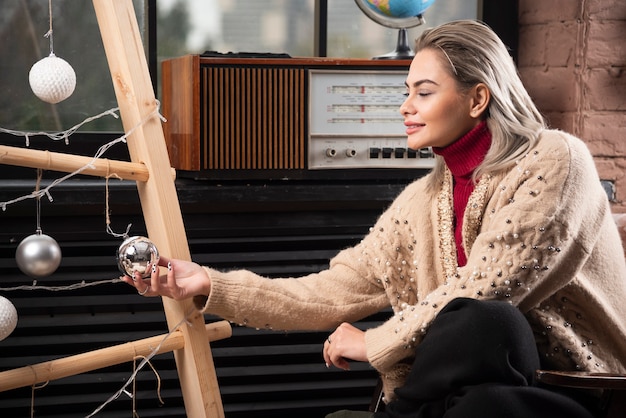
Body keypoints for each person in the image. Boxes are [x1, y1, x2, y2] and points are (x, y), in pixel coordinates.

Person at [123, 20, 626, 418]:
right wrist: (207, 283)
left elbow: (488, 288)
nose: (405, 107)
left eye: (424, 92)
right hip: (480, 397)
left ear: (477, 99)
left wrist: (372, 342)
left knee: (487, 322)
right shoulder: (420, 201)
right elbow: (330, 292)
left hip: (575, 391)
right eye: (406, 91)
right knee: (482, 404)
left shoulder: (555, 161)